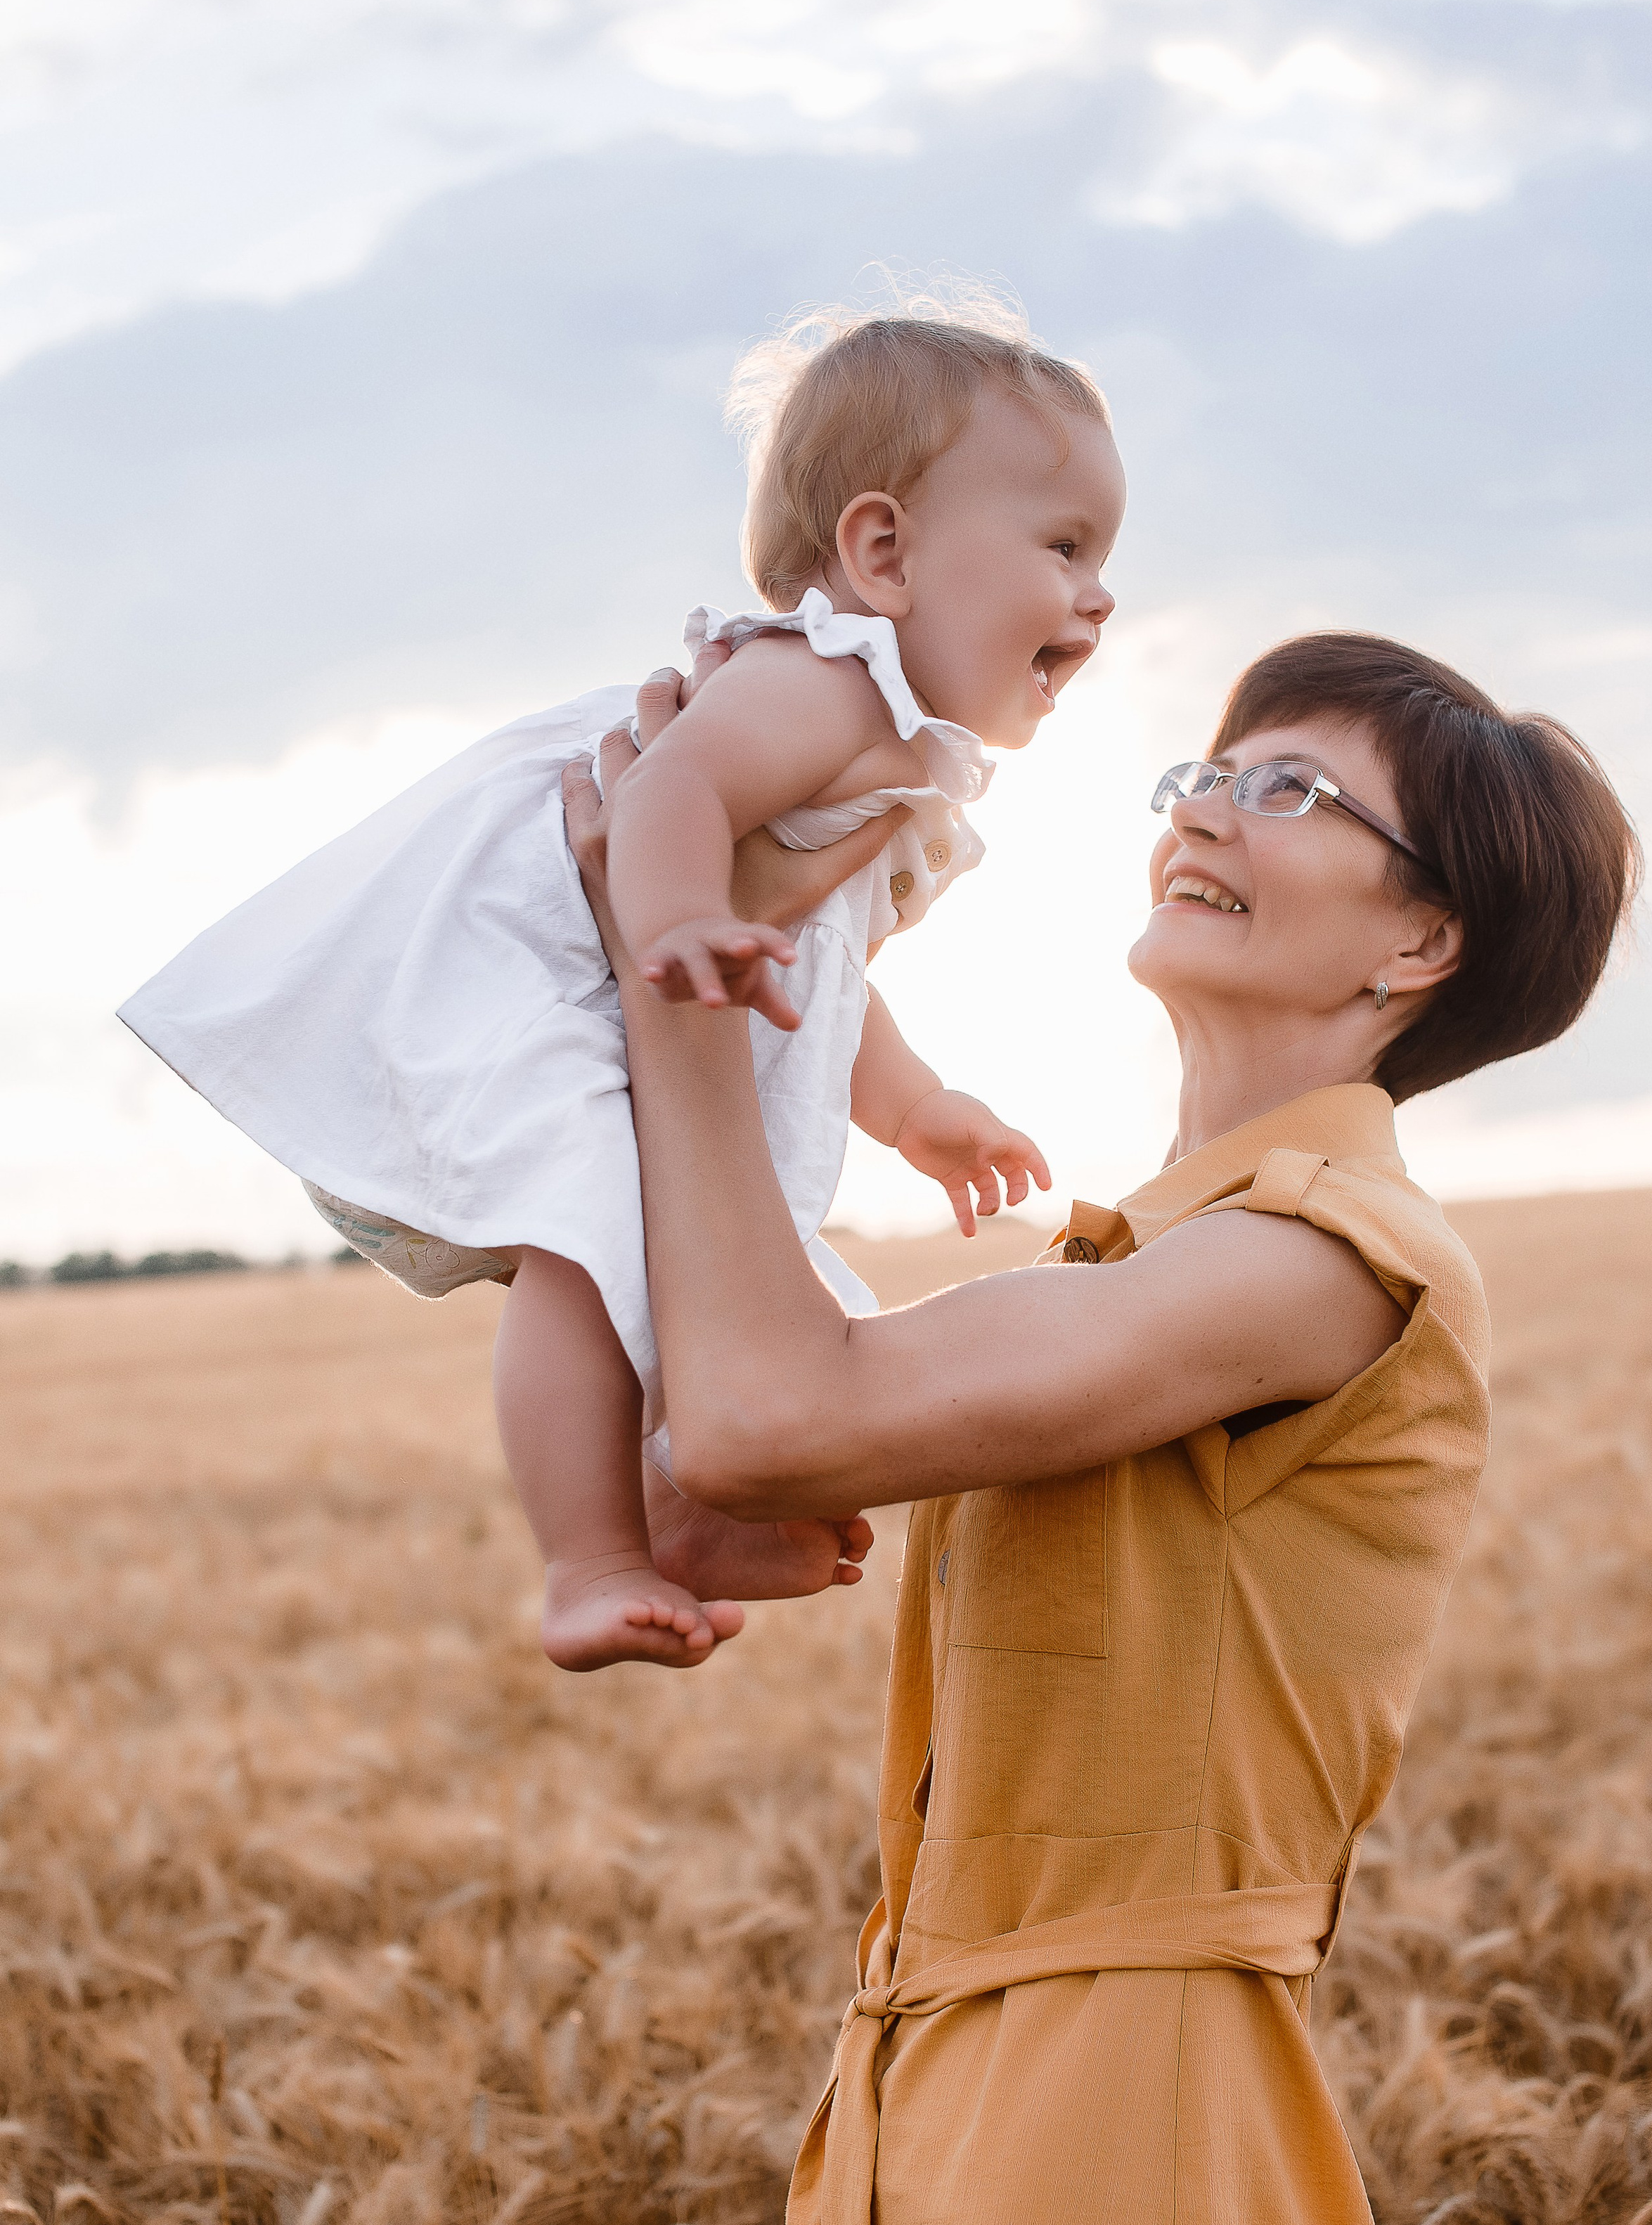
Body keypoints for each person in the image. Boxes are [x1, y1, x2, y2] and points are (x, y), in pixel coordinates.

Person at [560, 627, 1643, 2225]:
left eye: (1299, 791)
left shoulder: (1326, 1262)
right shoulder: (1136, 1262)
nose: (1212, 804)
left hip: (1119, 2126)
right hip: (927, 2104)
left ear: (1418, 949)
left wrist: (684, 950)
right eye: (1210, 772)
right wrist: (742, 897)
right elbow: (703, 1441)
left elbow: (759, 1416)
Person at [117, 302, 1125, 1670]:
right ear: (881, 551)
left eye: (1102, 558)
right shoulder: (821, 688)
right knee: (587, 1249)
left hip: (628, 970)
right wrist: (680, 923)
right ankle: (587, 1559)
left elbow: (819, 974)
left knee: (728, 1284)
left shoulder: (883, 744)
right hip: (521, 975)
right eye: (1062, 546)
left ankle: (683, 1503)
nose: (1097, 593)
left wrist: (917, 1107)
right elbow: (666, 796)